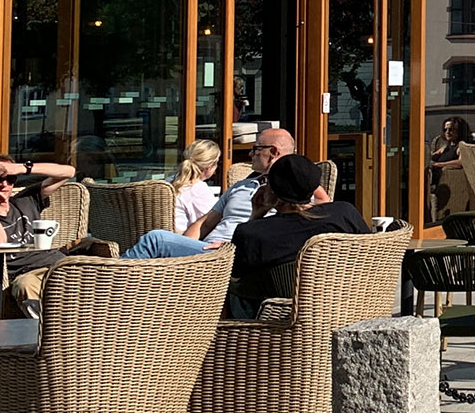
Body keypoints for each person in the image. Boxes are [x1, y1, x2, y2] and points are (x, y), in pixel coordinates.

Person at [124, 127, 324, 257]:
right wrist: (183, 249)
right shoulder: (241, 186)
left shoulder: (294, 187)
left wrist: (234, 247)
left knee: (155, 239)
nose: (250, 153)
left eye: (256, 149)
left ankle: (101, 296)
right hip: (208, 252)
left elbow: (322, 203)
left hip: (232, 254)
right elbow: (204, 223)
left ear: (273, 152)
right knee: (161, 242)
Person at [225, 154, 369, 318]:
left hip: (281, 325)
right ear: (314, 186)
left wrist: (254, 217)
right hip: (345, 310)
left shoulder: (252, 233)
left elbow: (236, 279)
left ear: (271, 191)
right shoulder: (344, 213)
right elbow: (370, 251)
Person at [0, 153, 78, 314]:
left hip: (60, 265)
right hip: (28, 275)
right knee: (25, 285)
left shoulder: (26, 200)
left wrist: (21, 168)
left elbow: (69, 172)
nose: (4, 184)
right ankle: (47, 334)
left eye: (10, 179)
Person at [171, 139, 223, 232]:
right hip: (181, 240)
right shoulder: (198, 189)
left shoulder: (170, 180)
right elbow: (211, 224)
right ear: (209, 167)